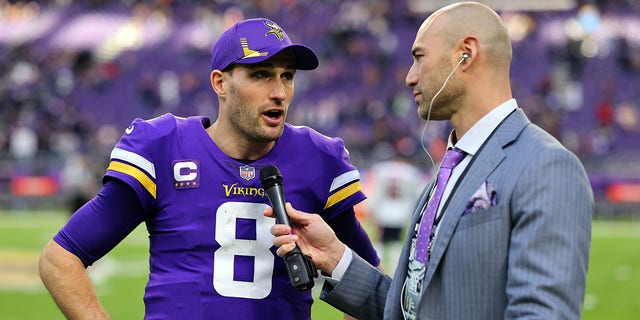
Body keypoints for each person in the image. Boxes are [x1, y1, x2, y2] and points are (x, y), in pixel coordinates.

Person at [268, 2, 593, 320]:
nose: (410, 77)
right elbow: (410, 310)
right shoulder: (451, 169)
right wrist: (336, 258)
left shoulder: (545, 166)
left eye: (419, 58)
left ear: (466, 53)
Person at [38, 18, 379, 320]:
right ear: (220, 83)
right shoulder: (164, 147)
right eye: (261, 75)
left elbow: (370, 286)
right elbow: (61, 259)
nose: (279, 92)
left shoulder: (319, 158)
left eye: (286, 76)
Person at [366, 155, 424, 273]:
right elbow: (416, 194)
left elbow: (377, 193)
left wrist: (372, 210)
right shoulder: (410, 172)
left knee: (380, 241)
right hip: (400, 212)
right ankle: (395, 269)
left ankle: (377, 267)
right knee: (396, 243)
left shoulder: (381, 170)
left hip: (383, 211)